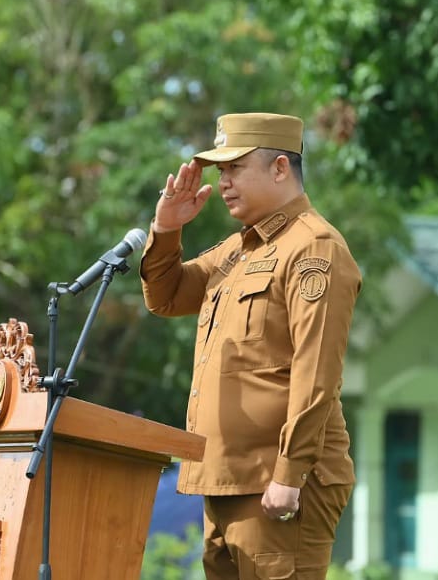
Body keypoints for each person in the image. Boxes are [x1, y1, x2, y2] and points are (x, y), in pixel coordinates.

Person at [141, 112, 361, 579]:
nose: (224, 183)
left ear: (280, 168)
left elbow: (316, 372)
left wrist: (289, 474)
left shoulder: (314, 247)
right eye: (221, 172)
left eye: (235, 168)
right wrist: (166, 229)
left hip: (277, 485)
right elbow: (166, 296)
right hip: (227, 480)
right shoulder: (241, 249)